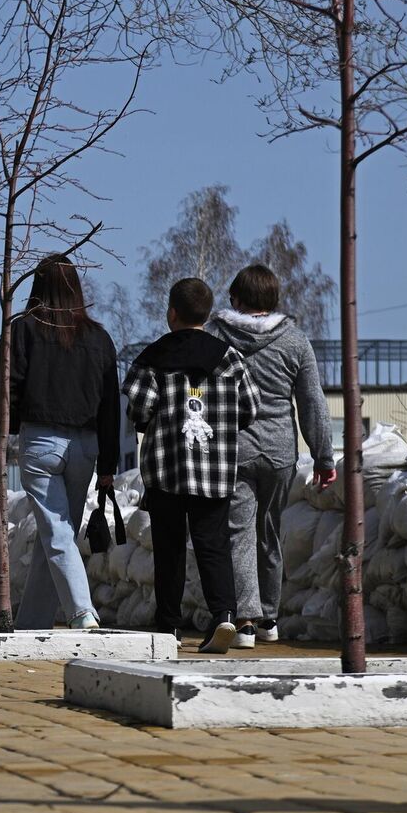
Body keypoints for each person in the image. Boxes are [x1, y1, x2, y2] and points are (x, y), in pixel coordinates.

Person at [124, 277, 260, 654]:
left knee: (169, 549)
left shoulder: (151, 357)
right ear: (207, 313)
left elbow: (138, 408)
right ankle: (224, 616)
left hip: (166, 471)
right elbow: (251, 406)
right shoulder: (229, 356)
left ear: (172, 313)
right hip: (215, 472)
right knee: (213, 544)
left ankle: (169, 626)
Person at [207, 264, 337, 648]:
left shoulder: (217, 337)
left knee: (239, 532)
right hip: (281, 452)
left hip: (234, 449)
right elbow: (312, 402)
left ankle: (244, 620)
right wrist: (324, 458)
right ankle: (269, 618)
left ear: (237, 299)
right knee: (269, 532)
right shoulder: (295, 341)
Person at [0, 255, 121, 630]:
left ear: (37, 286)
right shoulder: (99, 338)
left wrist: (11, 424)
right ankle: (33, 623)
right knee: (56, 534)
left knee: (57, 532)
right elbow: (111, 404)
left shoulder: (24, 329)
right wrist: (109, 464)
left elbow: (3, 384)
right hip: (86, 447)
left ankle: (81, 612)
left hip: (41, 441)